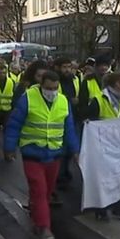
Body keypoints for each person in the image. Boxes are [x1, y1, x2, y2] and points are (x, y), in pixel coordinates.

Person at [4, 71, 79, 239]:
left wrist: (75, 150)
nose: (51, 91)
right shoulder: (28, 98)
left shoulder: (63, 101)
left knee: (46, 192)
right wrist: (9, 148)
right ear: (41, 86)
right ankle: (44, 227)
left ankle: (36, 213)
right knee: (39, 190)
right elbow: (14, 125)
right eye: (48, 88)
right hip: (32, 153)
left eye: (54, 88)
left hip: (54, 154)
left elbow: (69, 128)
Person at [87, 72, 120, 221]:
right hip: (104, 148)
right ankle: (101, 208)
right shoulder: (99, 100)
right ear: (116, 84)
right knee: (105, 180)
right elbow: (89, 122)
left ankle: (118, 209)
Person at [53, 57, 80, 187]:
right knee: (61, 149)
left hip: (73, 116)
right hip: (58, 118)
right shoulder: (55, 82)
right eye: (64, 67)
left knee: (70, 148)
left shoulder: (74, 80)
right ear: (57, 68)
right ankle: (59, 175)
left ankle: (64, 170)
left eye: (69, 67)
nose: (68, 70)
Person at [78, 54, 111, 119]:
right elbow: (82, 104)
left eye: (106, 65)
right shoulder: (87, 82)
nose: (104, 68)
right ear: (96, 67)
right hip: (93, 119)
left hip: (109, 120)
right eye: (101, 65)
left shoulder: (114, 81)